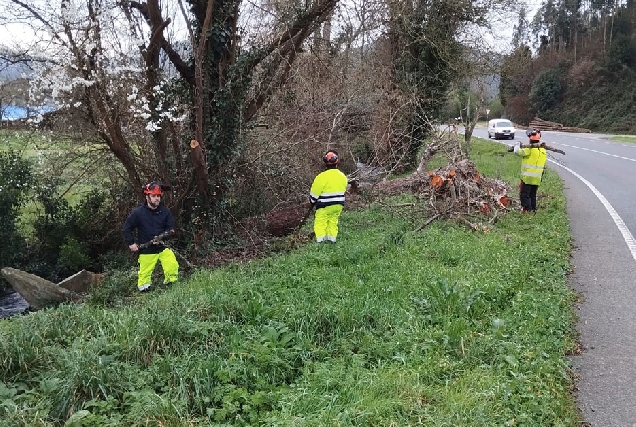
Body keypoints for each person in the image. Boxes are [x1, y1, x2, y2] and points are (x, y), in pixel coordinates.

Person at [122, 181, 179, 292]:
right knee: (144, 273)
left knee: (172, 264)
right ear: (147, 196)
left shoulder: (165, 212)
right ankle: (144, 291)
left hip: (162, 247)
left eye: (158, 196)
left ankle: (172, 285)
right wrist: (131, 243)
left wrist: (162, 237)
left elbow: (171, 228)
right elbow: (126, 229)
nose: (157, 198)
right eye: (154, 196)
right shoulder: (138, 213)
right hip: (147, 250)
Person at [309, 150, 348, 243]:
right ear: (336, 162)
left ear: (325, 163)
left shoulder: (321, 177)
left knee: (320, 223)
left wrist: (312, 201)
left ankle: (321, 243)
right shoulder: (343, 176)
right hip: (338, 205)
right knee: (333, 222)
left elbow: (314, 195)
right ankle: (332, 241)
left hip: (324, 206)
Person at [513, 130, 547, 213]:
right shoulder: (543, 151)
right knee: (532, 195)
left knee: (524, 195)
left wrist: (517, 144)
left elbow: (517, 152)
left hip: (528, 178)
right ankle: (533, 210)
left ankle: (528, 211)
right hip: (537, 178)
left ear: (530, 139)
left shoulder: (529, 149)